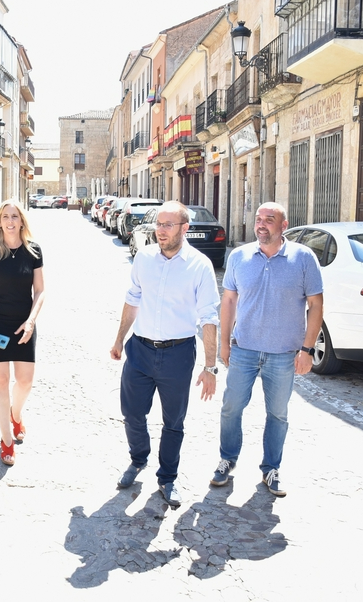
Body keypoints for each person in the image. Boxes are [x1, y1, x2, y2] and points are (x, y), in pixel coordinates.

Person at [110, 201, 221, 507]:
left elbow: (208, 317)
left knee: (174, 422)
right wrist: (120, 339)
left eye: (168, 225)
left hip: (178, 354)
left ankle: (167, 478)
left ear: (185, 229)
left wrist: (210, 367)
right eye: (159, 224)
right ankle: (138, 459)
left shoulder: (199, 266)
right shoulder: (144, 258)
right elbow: (132, 299)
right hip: (140, 349)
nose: (161, 230)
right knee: (132, 413)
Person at [210, 202, 323, 497]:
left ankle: (271, 469)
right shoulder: (239, 256)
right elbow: (229, 301)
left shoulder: (303, 258)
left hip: (283, 354)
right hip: (244, 349)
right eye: (258, 219)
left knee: (278, 414)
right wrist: (224, 343)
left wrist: (307, 350)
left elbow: (316, 304)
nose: (261, 225)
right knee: (231, 407)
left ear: (283, 225)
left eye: (269, 220)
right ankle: (227, 459)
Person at [0, 202, 46, 466]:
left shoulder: (33, 251)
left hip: (24, 324)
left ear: (22, 221)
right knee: (0, 381)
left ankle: (16, 414)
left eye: (15, 216)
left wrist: (31, 321)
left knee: (25, 382)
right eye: (5, 217)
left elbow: (40, 291)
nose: (10, 221)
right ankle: (6, 440)